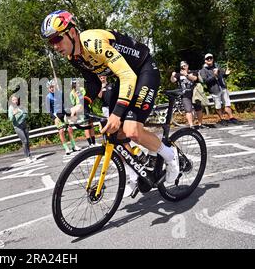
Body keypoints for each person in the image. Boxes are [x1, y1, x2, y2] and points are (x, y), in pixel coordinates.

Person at [40, 10, 180, 195]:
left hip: (143, 71)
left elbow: (128, 75)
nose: (55, 46)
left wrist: (117, 114)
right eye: (51, 42)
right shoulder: (73, 56)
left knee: (131, 130)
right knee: (113, 134)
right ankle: (136, 171)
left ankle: (171, 156)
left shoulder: (93, 43)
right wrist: (82, 104)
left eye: (57, 39)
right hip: (124, 79)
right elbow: (93, 82)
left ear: (72, 33)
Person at [199, 53, 238, 125]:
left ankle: (231, 117)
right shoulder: (203, 70)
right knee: (218, 106)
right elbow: (205, 81)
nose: (209, 59)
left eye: (211, 58)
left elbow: (222, 75)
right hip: (214, 90)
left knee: (227, 104)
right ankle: (222, 119)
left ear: (213, 59)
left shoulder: (217, 66)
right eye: (208, 59)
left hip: (223, 87)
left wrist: (226, 74)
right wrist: (214, 75)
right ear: (205, 61)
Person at [45, 79, 81, 155]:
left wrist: (69, 112)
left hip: (64, 113)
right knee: (61, 132)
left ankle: (74, 146)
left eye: (52, 87)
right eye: (50, 87)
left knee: (70, 129)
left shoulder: (60, 93)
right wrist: (54, 118)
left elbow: (66, 103)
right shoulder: (48, 97)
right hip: (56, 116)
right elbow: (49, 110)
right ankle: (66, 148)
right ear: (48, 88)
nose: (52, 88)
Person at [170, 61, 205, 128]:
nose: (183, 67)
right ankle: (191, 125)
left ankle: (200, 124)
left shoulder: (192, 72)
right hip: (185, 94)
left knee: (198, 108)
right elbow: (173, 80)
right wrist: (172, 75)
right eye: (181, 66)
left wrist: (186, 74)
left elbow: (194, 78)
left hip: (195, 94)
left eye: (184, 65)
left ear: (187, 65)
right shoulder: (178, 74)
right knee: (188, 110)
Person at [70, 78, 96, 147]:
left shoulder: (82, 89)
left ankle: (94, 142)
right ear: (73, 85)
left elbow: (85, 97)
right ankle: (90, 143)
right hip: (80, 110)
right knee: (86, 126)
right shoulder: (72, 93)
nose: (76, 84)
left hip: (87, 107)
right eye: (75, 83)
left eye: (77, 83)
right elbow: (73, 103)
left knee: (91, 125)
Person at [8, 95, 35, 163]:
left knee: (27, 141)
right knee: (24, 141)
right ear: (11, 101)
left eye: (16, 99)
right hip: (17, 127)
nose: (15, 101)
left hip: (24, 125)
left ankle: (29, 156)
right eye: (13, 100)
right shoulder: (11, 108)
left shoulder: (20, 106)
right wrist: (14, 114)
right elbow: (11, 119)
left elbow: (25, 114)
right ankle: (26, 157)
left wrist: (19, 116)